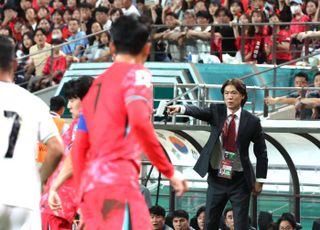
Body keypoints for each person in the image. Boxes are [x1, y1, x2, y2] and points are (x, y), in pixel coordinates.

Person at [55, 15, 188, 229]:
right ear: (147, 48)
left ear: (112, 46)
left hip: (92, 189)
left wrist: (83, 203)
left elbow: (79, 148)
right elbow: (140, 122)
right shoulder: (138, 76)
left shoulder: (97, 85)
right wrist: (169, 171)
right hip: (118, 186)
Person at [168, 78, 268, 229]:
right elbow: (199, 111)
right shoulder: (216, 111)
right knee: (210, 223)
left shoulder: (252, 121)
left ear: (242, 96)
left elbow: (261, 152)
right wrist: (182, 109)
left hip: (240, 180)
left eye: (234, 93)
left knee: (241, 224)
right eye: (226, 93)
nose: (229, 97)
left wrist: (260, 179)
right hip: (216, 178)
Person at [0, 35, 63, 229]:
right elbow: (56, 149)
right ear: (14, 62)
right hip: (24, 195)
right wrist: (40, 180)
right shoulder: (33, 102)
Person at [41, 77, 94, 230]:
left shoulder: (84, 123)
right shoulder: (78, 124)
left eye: (72, 100)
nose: (69, 106)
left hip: (58, 204)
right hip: (60, 205)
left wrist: (53, 187)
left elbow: (75, 158)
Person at [37, 95, 69, 163]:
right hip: (55, 163)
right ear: (62, 109)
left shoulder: (40, 121)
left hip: (39, 160)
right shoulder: (64, 125)